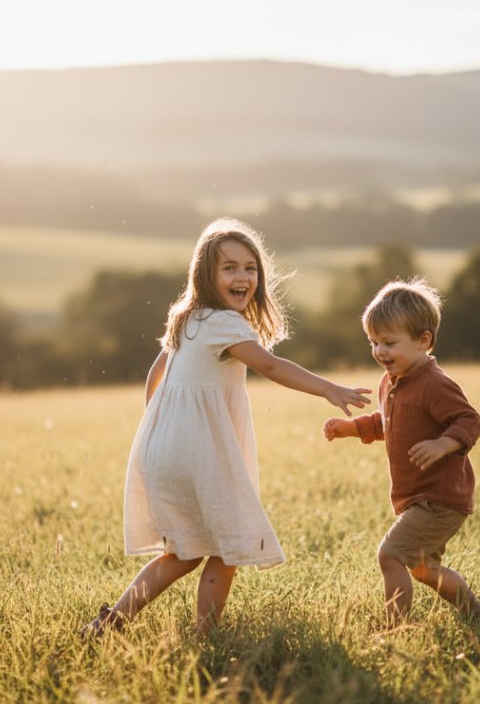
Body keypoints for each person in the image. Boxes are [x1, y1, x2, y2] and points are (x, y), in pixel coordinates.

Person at [80, 218, 371, 638]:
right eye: (229, 267)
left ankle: (109, 622)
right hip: (199, 453)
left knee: (180, 553)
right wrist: (328, 389)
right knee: (226, 546)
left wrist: (159, 425)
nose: (242, 276)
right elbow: (270, 365)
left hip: (164, 448)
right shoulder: (225, 324)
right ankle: (205, 635)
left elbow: (155, 373)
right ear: (205, 274)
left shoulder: (187, 318)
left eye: (250, 268)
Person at [322, 278, 480, 626]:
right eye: (373, 342)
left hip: (440, 499)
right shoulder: (392, 381)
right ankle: (478, 614)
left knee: (389, 556)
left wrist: (443, 444)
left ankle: (394, 630)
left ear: (423, 341)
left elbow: (468, 420)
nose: (379, 351)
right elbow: (388, 422)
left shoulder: (434, 383)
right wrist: (352, 429)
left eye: (389, 342)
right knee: (424, 569)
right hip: (416, 497)